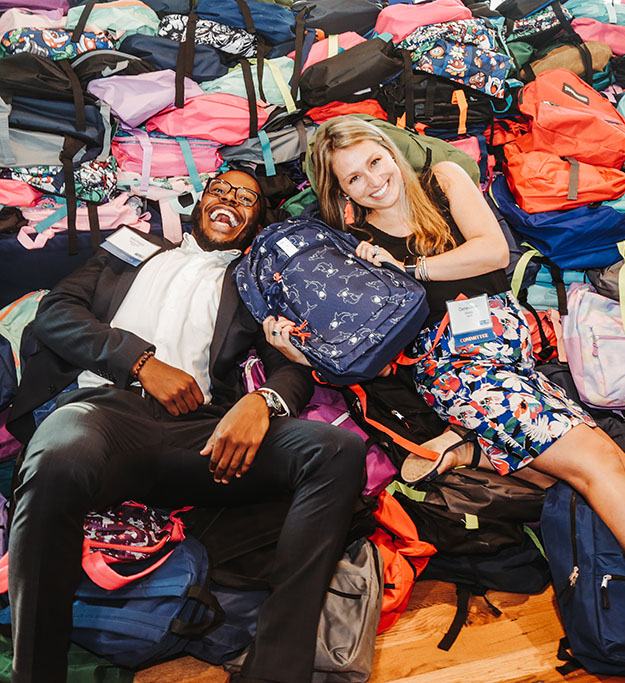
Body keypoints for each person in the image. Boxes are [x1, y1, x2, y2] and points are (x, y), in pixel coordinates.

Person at [266, 115, 625, 603]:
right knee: (600, 470)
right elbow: (369, 354)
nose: (375, 182)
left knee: (617, 468)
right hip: (459, 370)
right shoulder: (358, 248)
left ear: (391, 150)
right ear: (340, 192)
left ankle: (469, 450)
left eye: (376, 162)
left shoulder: (443, 180)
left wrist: (409, 267)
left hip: (509, 348)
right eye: (354, 178)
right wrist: (297, 349)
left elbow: (491, 254)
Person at [6, 169, 366, 683]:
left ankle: (276, 670)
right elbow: (55, 312)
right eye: (222, 189)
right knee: (57, 455)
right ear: (200, 203)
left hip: (198, 435)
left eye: (246, 198)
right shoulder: (134, 247)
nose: (231, 200)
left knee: (336, 452)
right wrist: (140, 362)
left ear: (256, 220)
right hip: (105, 414)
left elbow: (291, 367)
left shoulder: (252, 286)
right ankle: (36, 674)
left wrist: (262, 402)